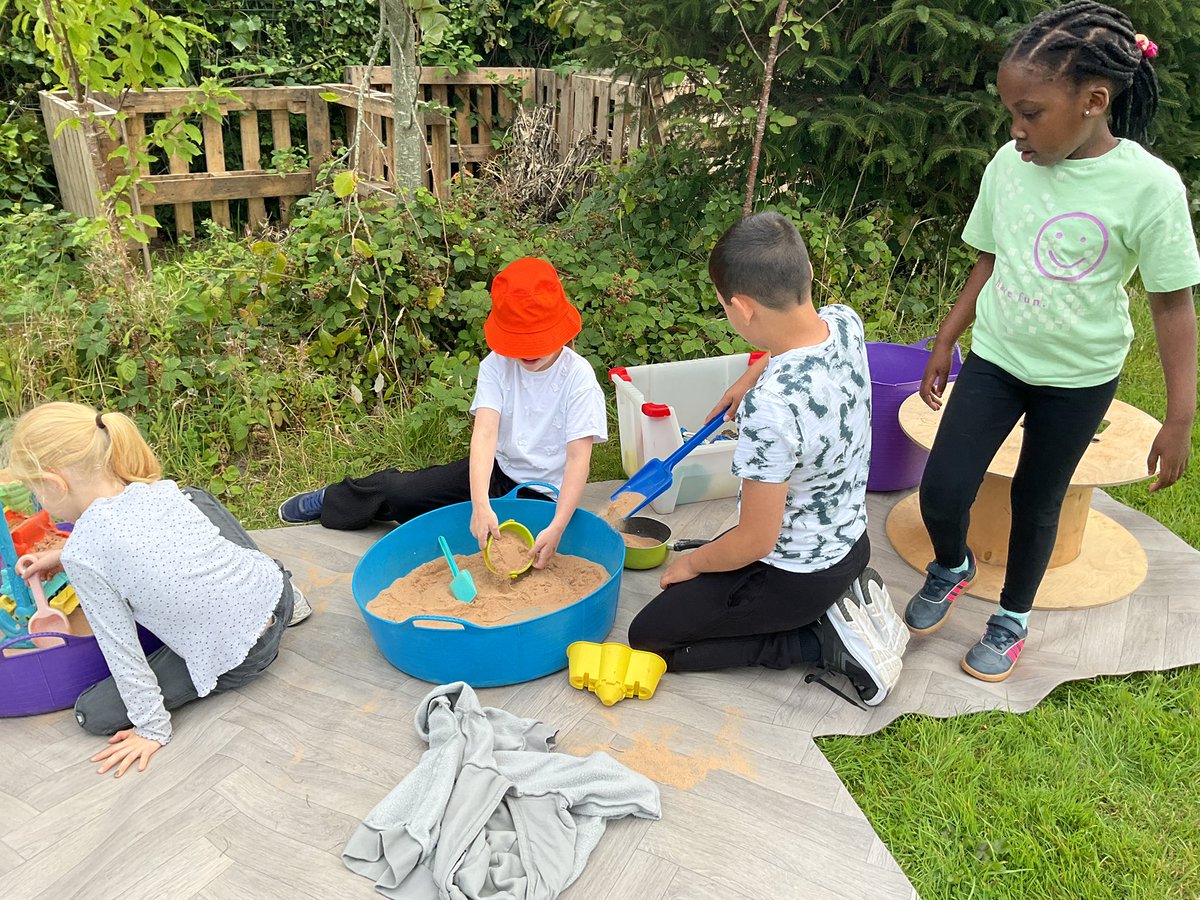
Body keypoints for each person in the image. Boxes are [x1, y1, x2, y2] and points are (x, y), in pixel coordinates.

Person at [905, 1, 1200, 681]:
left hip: (1079, 379)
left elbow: (1173, 304)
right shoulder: (1008, 168)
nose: (1017, 129)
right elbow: (988, 258)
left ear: (1095, 100)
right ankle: (952, 565)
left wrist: (1180, 417)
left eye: (1031, 112)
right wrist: (947, 340)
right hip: (997, 361)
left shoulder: (1150, 189)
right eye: (1011, 111)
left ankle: (1011, 618)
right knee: (943, 490)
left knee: (1039, 502)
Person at [626, 211, 908, 707]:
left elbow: (756, 541)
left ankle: (812, 641)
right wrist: (747, 378)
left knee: (651, 637)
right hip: (851, 545)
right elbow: (786, 350)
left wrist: (693, 564)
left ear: (742, 308)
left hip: (796, 579)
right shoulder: (844, 322)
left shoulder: (772, 409)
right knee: (716, 567)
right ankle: (827, 609)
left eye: (724, 309)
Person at [6, 401, 311, 777]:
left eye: (36, 490)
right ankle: (293, 602)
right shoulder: (156, 489)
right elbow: (131, 542)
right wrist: (62, 552)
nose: (39, 501)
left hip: (243, 656)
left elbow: (121, 649)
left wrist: (152, 730)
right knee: (196, 497)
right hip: (272, 591)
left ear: (55, 483)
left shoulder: (85, 553)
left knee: (92, 712)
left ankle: (161, 708)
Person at [278, 257, 608, 569]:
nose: (527, 353)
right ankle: (333, 500)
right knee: (403, 494)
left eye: (535, 342)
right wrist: (481, 504)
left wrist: (559, 525)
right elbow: (485, 434)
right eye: (518, 343)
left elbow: (579, 460)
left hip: (546, 496)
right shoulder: (497, 365)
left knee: (517, 556)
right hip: (496, 472)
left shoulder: (578, 379)